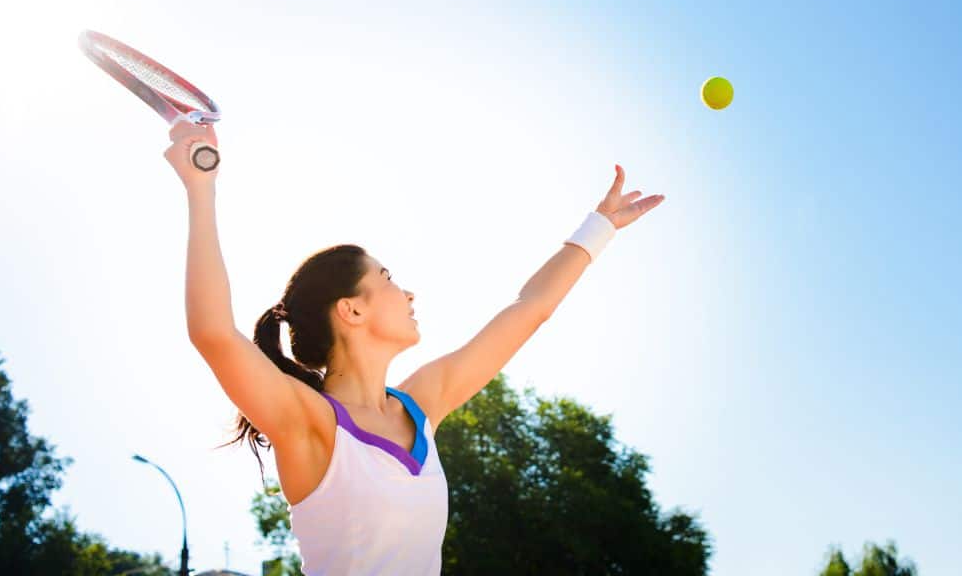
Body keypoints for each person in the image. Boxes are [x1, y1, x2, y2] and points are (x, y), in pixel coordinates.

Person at [163, 119, 666, 575]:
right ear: (351, 310)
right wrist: (200, 186)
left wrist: (600, 227)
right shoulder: (310, 424)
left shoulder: (421, 403)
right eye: (386, 278)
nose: (407, 292)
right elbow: (213, 332)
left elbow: (528, 308)